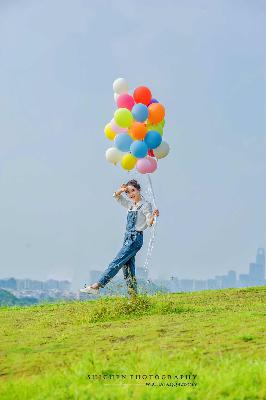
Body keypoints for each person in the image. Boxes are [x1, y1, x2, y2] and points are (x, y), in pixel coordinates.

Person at [80, 179, 159, 297]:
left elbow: (148, 222)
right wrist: (121, 190)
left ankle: (97, 285)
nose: (131, 194)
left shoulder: (145, 205)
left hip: (135, 239)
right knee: (128, 270)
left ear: (139, 190)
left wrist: (153, 216)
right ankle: (134, 298)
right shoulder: (131, 205)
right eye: (128, 192)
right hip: (127, 239)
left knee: (116, 262)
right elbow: (116, 197)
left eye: (133, 190)